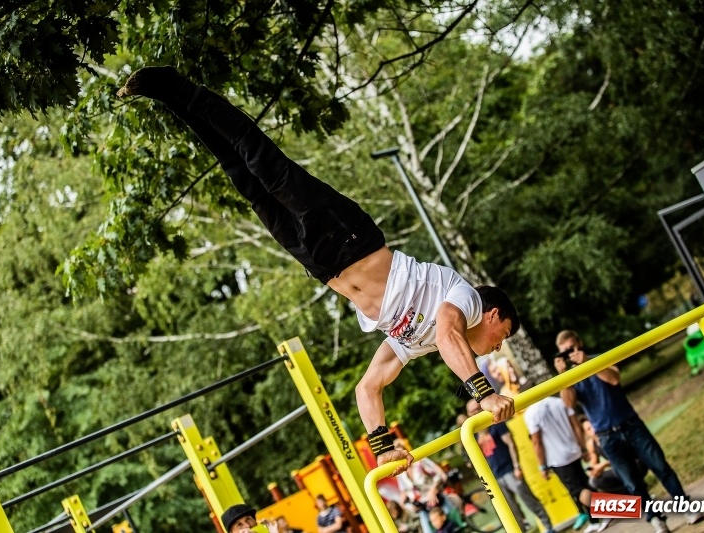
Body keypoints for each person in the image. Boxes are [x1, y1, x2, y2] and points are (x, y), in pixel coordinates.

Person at [117, 66, 518, 475]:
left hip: (323, 265)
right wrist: (483, 393)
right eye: (501, 336)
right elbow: (451, 333)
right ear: (493, 315)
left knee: (245, 180)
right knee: (260, 159)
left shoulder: (421, 341)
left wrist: (382, 447)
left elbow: (370, 385)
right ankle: (176, 84)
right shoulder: (464, 299)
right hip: (349, 237)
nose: (495, 347)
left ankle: (169, 100)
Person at [555, 330, 703, 533]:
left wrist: (587, 362)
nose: (570, 354)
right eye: (564, 352)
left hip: (631, 424)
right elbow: (569, 404)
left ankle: (685, 507)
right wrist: (563, 377)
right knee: (632, 483)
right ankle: (655, 519)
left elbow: (614, 378)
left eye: (571, 348)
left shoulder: (597, 358)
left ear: (579, 343)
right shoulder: (570, 378)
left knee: (661, 467)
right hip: (607, 436)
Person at [523, 395, 610, 533]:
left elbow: (537, 442)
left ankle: (608, 510)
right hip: (573, 451)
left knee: (577, 490)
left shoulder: (531, 413)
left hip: (558, 459)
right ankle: (594, 520)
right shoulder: (559, 401)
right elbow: (576, 425)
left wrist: (542, 466)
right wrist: (582, 448)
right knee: (584, 484)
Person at [465, 400, 554, 533]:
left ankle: (549, 528)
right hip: (494, 477)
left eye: (478, 408)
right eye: (473, 410)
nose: (476, 411)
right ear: (468, 414)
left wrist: (516, 466)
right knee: (511, 511)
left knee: (530, 501)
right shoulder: (472, 434)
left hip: (509, 470)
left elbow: (511, 444)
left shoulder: (495, 424)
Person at [395, 439, 463, 533]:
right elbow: (404, 491)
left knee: (453, 526)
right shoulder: (400, 472)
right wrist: (404, 505)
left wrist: (433, 490)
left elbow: (440, 474)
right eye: (397, 456)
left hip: (437, 500)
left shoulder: (419, 461)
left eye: (401, 453)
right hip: (422, 507)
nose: (400, 457)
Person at [580, 416, 636, 494]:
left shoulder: (609, 434)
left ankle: (636, 493)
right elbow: (593, 463)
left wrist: (603, 465)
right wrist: (594, 470)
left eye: (592, 425)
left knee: (620, 470)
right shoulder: (592, 444)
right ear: (586, 433)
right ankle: (629, 496)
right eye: (589, 429)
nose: (593, 430)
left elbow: (622, 457)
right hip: (617, 469)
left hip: (632, 463)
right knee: (594, 481)